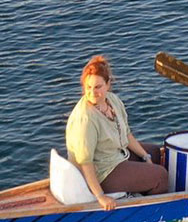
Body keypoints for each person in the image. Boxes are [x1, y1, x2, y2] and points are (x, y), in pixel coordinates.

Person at [65, 55, 168, 209]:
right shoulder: (85, 119)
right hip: (102, 172)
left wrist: (145, 156)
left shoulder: (112, 101)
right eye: (88, 87)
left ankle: (139, 193)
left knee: (154, 152)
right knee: (160, 176)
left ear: (108, 85)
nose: (92, 92)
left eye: (98, 87)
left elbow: (126, 134)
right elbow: (85, 162)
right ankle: (149, 210)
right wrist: (100, 196)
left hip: (115, 154)